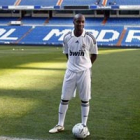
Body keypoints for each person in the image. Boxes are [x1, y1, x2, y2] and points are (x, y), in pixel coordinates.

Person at [49, 14, 98, 136]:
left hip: (84, 72)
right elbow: (67, 53)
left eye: (82, 22)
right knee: (64, 98)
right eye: (78, 22)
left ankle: (84, 126)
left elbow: (95, 55)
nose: (80, 24)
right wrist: (73, 64)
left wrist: (86, 66)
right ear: (73, 22)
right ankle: (60, 124)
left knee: (85, 100)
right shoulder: (66, 37)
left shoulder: (90, 37)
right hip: (70, 72)